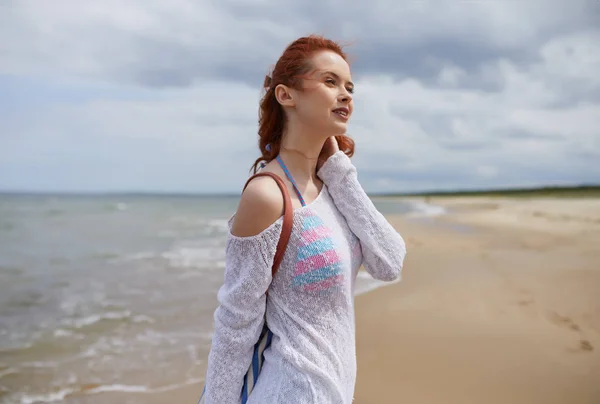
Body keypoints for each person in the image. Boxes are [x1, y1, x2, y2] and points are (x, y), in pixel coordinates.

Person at [202, 35, 407, 403]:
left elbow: (390, 262)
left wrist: (340, 172)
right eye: (330, 82)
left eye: (349, 87)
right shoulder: (266, 196)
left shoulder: (333, 189)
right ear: (286, 95)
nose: (346, 95)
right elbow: (235, 326)